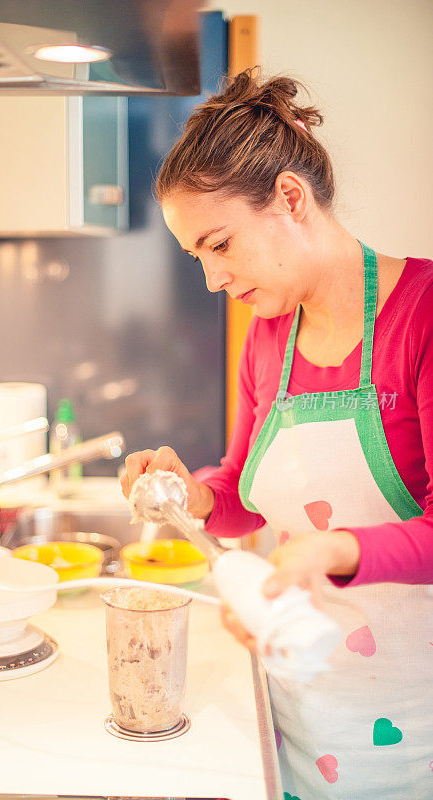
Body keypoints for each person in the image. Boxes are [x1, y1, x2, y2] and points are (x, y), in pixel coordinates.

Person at [120, 70, 432, 799]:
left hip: (416, 726)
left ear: (290, 199)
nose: (213, 279)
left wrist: (333, 549)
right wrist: (190, 495)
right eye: (198, 257)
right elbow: (243, 497)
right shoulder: (268, 340)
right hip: (298, 710)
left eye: (219, 244)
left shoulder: (420, 319)